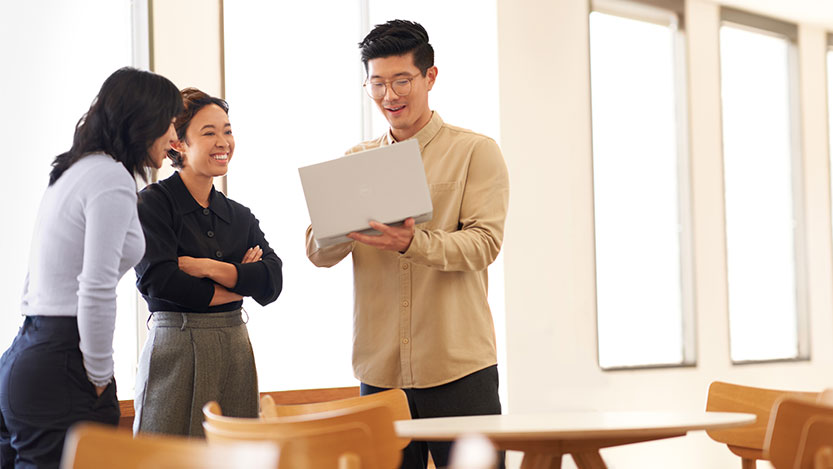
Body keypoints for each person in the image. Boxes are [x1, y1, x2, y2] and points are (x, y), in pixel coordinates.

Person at [305, 20, 509, 469]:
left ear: (429, 77)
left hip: (458, 367)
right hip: (379, 371)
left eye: (401, 81)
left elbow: (484, 244)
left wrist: (413, 242)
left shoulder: (475, 151)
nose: (389, 96)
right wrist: (341, 228)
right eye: (377, 84)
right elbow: (317, 253)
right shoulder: (355, 162)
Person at [0, 67, 183, 468]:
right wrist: (99, 376)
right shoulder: (111, 177)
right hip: (62, 361)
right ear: (144, 120)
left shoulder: (74, 168)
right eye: (170, 123)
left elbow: (36, 279)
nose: (174, 137)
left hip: (27, 353)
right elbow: (96, 286)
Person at [133, 88, 283, 437]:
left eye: (227, 131)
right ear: (178, 144)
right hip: (175, 345)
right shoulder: (152, 204)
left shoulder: (239, 215)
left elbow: (272, 281)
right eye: (209, 132)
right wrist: (239, 281)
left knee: (236, 455)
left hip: (235, 347)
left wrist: (208, 269)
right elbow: (161, 282)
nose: (223, 142)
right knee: (165, 457)